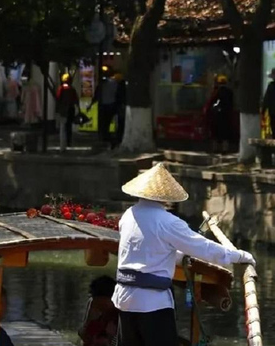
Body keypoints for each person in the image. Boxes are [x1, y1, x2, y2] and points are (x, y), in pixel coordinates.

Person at [112, 163, 255, 346]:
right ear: (166, 197)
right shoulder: (168, 222)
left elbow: (146, 248)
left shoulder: (128, 215)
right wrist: (239, 256)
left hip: (124, 299)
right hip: (152, 303)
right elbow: (203, 248)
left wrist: (178, 256)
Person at [79, 276, 119, 346]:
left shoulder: (122, 310)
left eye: (103, 305)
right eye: (97, 304)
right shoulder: (93, 303)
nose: (99, 307)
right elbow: (83, 332)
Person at [90, 67, 118, 147]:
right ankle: (108, 138)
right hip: (111, 105)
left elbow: (96, 95)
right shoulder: (114, 83)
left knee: (104, 124)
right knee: (108, 123)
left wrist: (91, 105)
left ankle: (106, 138)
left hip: (105, 106)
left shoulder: (103, 84)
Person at [206, 75, 234, 153]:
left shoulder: (217, 92)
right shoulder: (229, 92)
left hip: (217, 116)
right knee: (225, 133)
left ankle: (216, 149)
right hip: (227, 115)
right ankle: (225, 149)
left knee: (215, 133)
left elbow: (212, 102)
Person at [56, 74, 80, 152]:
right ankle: (68, 142)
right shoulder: (72, 89)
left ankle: (63, 143)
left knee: (63, 127)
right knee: (68, 126)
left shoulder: (61, 89)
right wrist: (78, 108)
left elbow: (58, 99)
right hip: (70, 109)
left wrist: (58, 109)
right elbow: (76, 99)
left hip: (63, 110)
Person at [114, 73, 127, 148]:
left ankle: (119, 137)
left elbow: (118, 97)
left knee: (120, 123)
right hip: (121, 106)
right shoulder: (122, 86)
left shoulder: (120, 87)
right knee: (121, 123)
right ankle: (119, 137)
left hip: (121, 106)